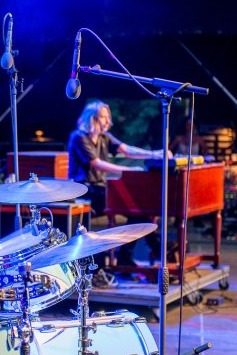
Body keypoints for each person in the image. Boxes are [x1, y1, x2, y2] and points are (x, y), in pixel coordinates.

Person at [68, 100, 171, 267]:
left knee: (137, 210)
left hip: (99, 189)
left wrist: (154, 154)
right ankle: (156, 251)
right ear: (91, 119)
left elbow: (126, 150)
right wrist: (128, 171)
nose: (108, 121)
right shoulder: (79, 137)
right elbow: (97, 163)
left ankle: (133, 255)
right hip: (84, 191)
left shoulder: (103, 136)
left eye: (108, 117)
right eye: (103, 117)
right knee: (135, 209)